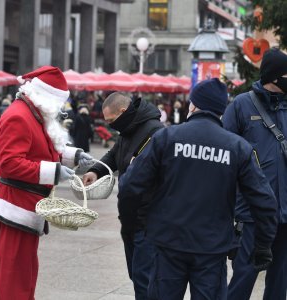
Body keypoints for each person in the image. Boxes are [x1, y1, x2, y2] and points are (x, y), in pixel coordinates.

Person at [118, 78, 278, 300]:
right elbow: (264, 199)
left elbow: (129, 186)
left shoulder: (166, 137)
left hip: (168, 243)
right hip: (212, 248)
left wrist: (133, 226)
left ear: (193, 105)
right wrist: (263, 244)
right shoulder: (237, 147)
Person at [0, 66, 93, 300]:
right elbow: (9, 164)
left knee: (23, 272)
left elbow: (43, 147)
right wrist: (54, 172)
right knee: (14, 276)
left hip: (25, 204)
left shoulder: (33, 112)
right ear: (46, 96)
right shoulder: (19, 116)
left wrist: (73, 156)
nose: (59, 109)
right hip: (17, 203)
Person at [82, 92, 164, 299]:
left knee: (144, 278)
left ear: (122, 112)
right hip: (130, 215)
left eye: (111, 121)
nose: (109, 125)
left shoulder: (153, 132)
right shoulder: (129, 128)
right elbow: (114, 154)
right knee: (136, 274)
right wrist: (95, 170)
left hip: (148, 217)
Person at [222, 47, 287, 300]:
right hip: (252, 212)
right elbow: (225, 154)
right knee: (244, 275)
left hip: (285, 215)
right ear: (274, 77)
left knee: (280, 279)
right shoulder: (241, 105)